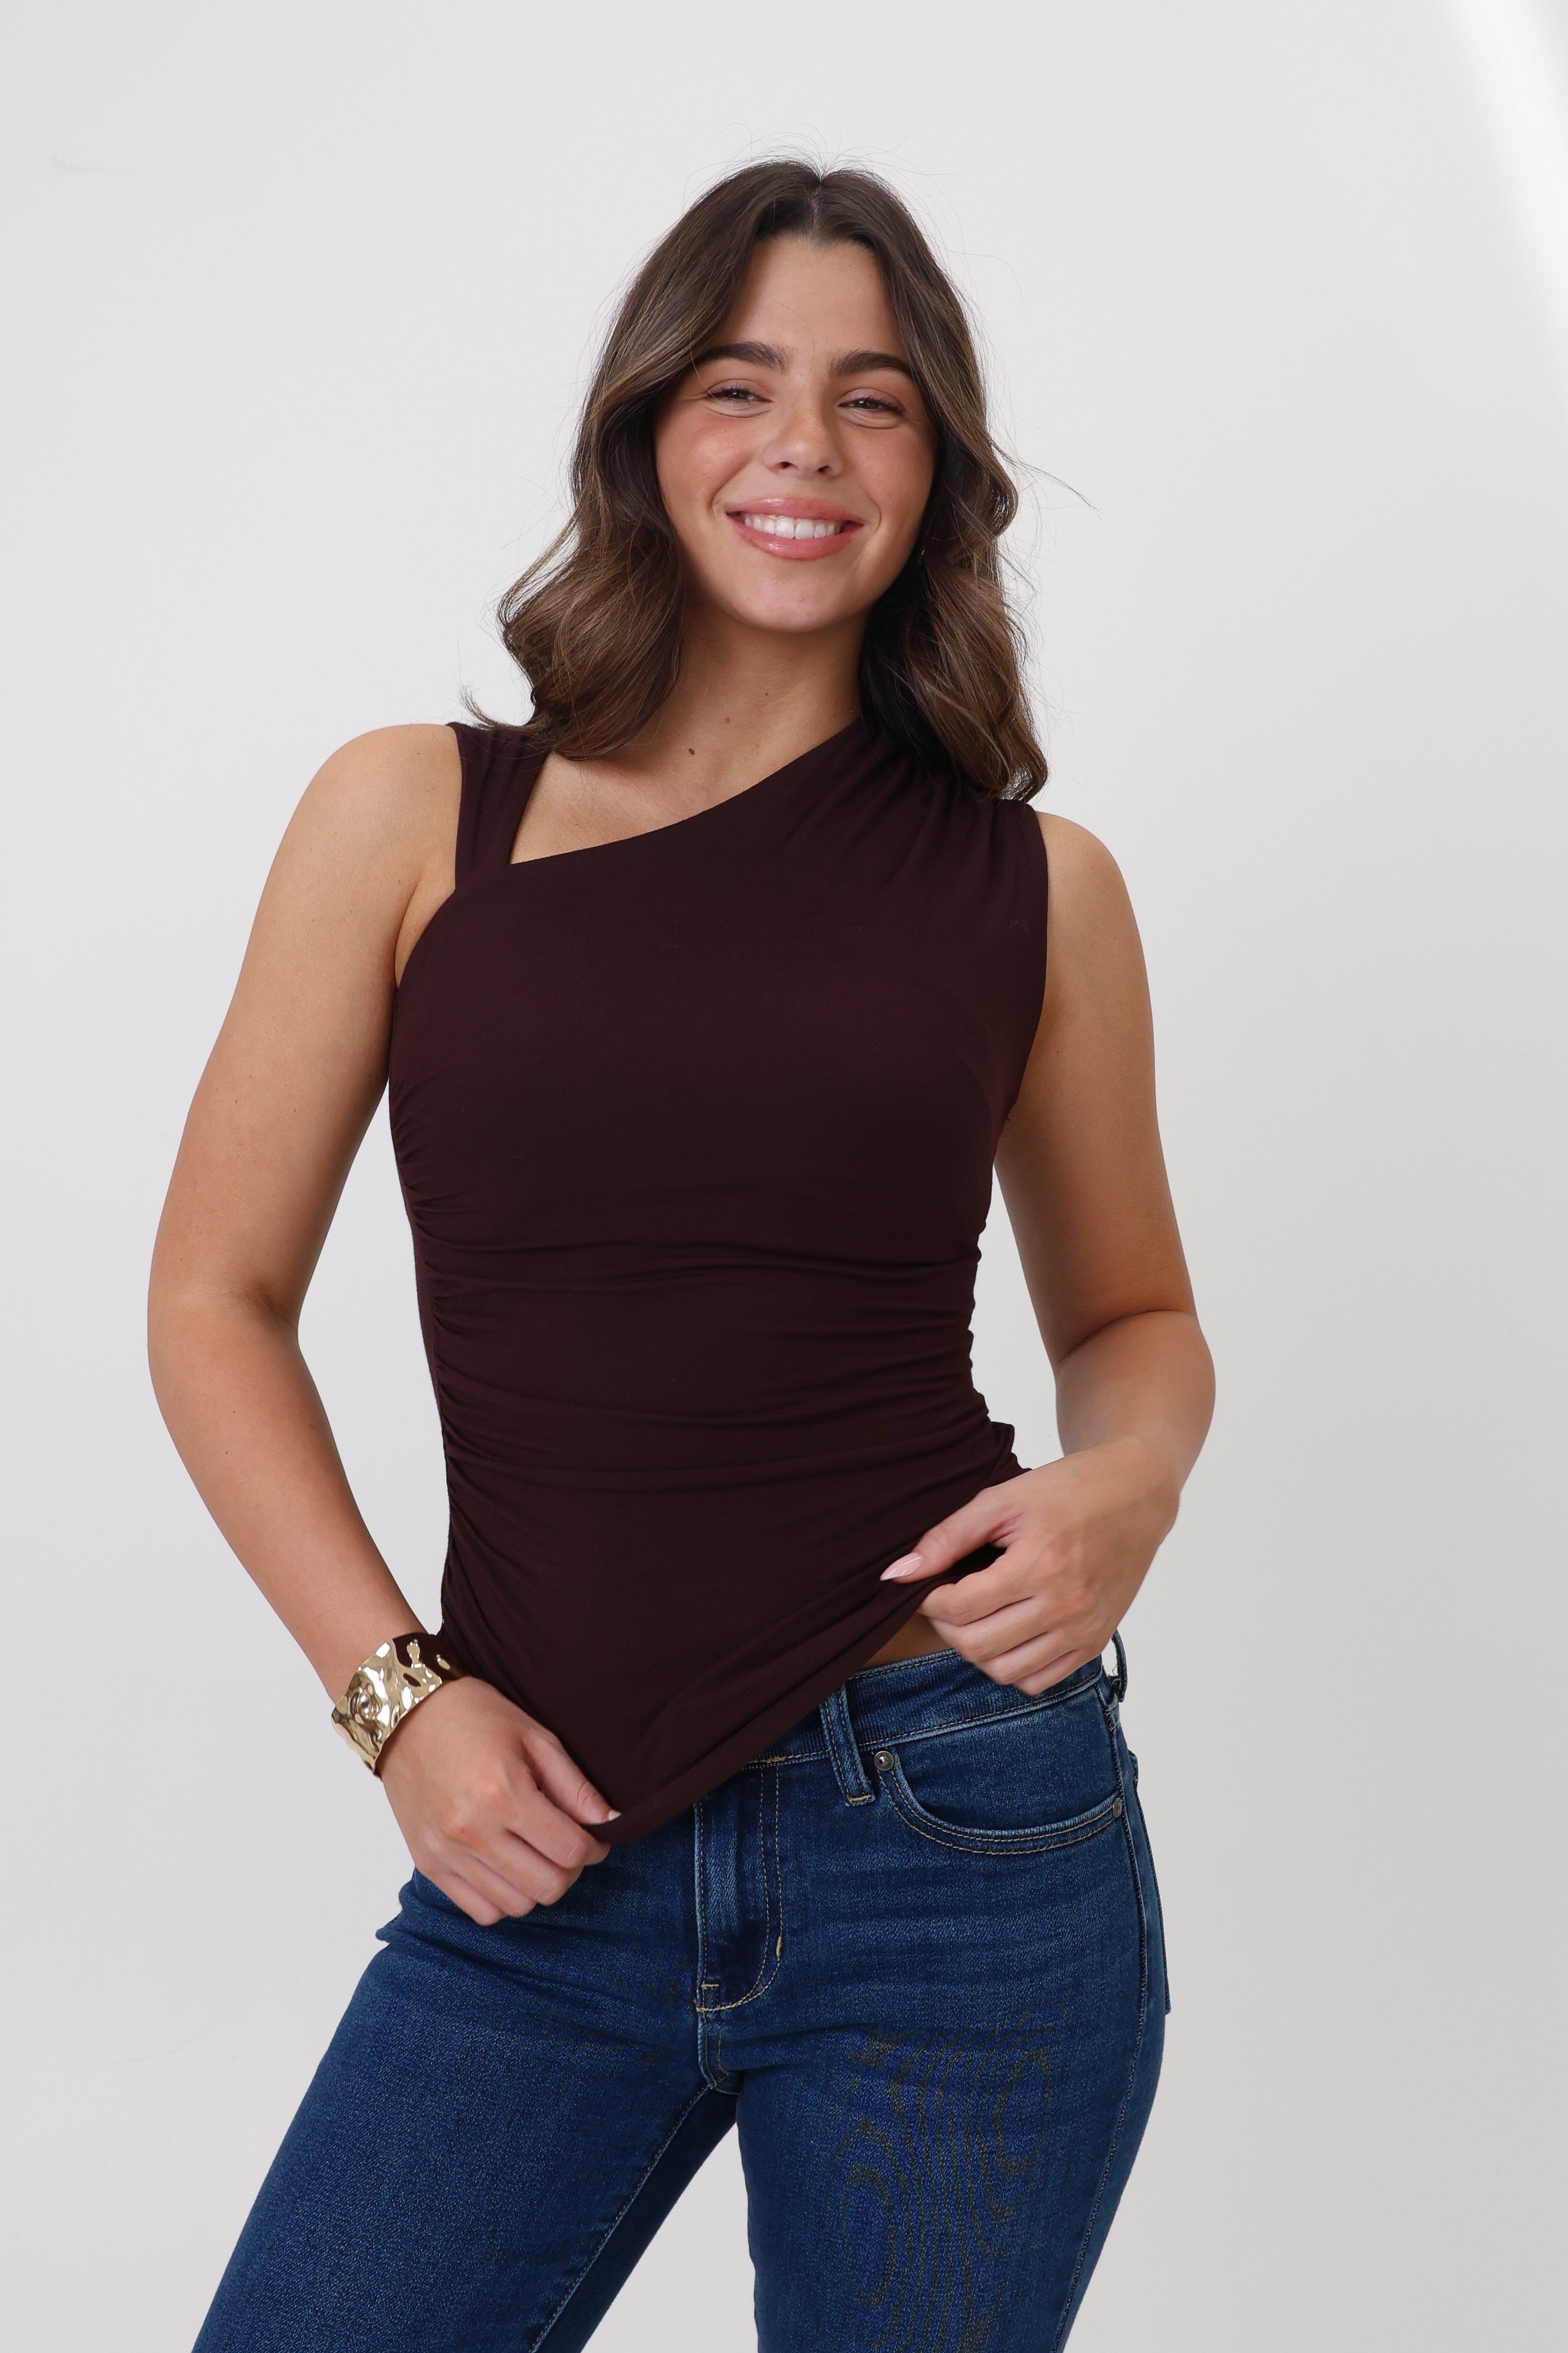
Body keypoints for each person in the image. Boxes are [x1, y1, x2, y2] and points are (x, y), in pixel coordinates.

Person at [149, 157, 1214, 2353]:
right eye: (740, 385)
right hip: (542, 1834)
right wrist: (398, 1705)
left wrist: (1126, 1482)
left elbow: (1133, 1319)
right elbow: (210, 1304)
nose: (802, 447)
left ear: (941, 471)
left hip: (962, 1833)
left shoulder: (1039, 892)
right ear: (649, 430)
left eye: (875, 398)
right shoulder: (410, 814)